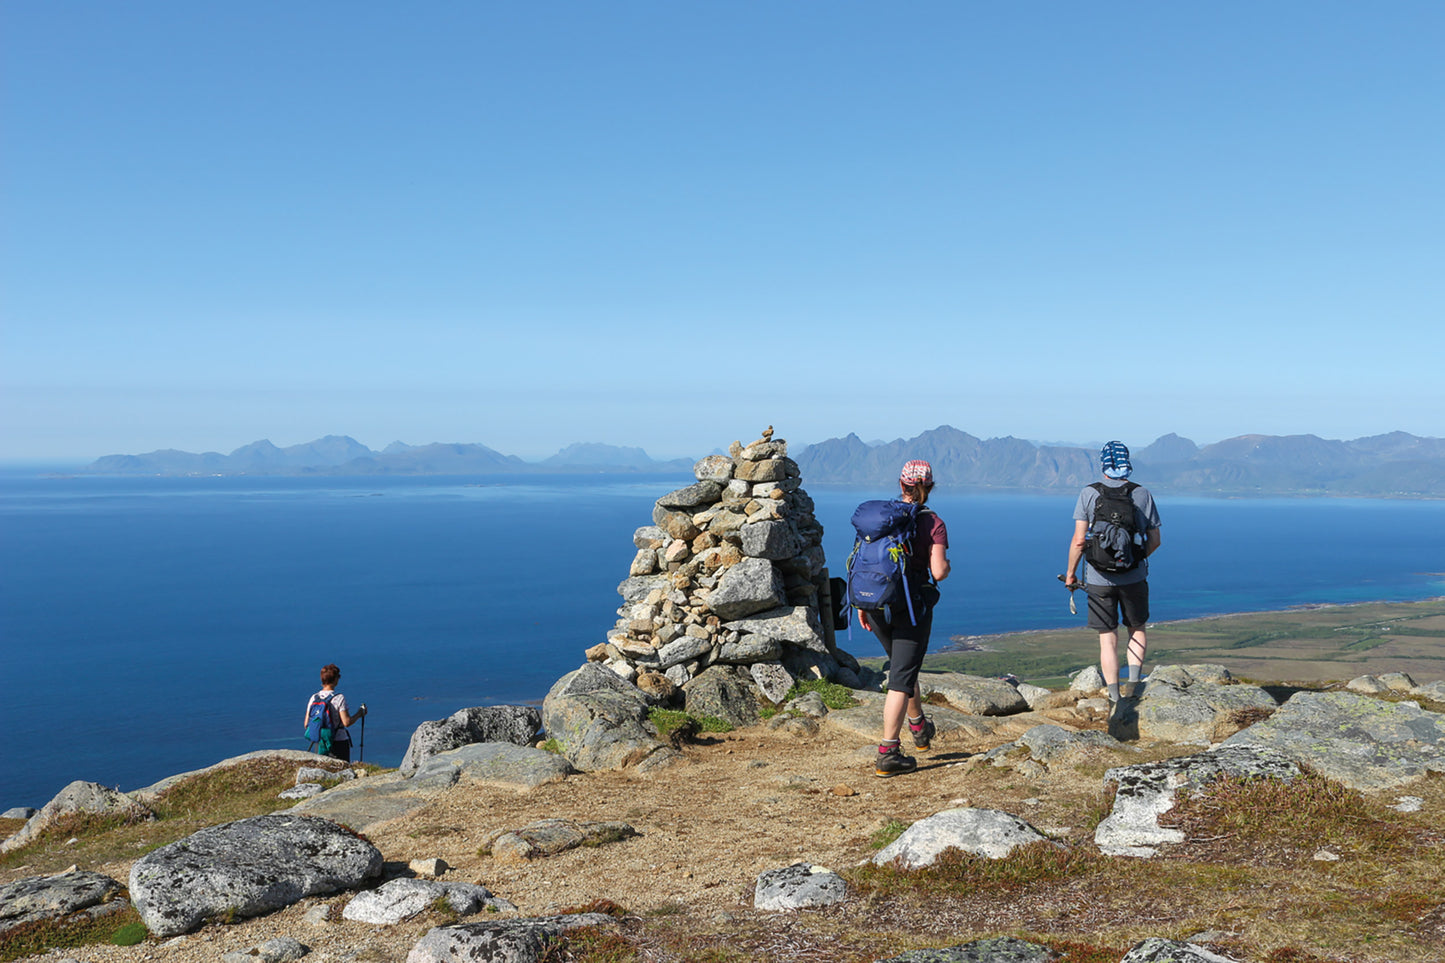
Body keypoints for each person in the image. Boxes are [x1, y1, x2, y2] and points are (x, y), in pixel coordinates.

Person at [859, 459, 951, 777]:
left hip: (875, 604)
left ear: (901, 485)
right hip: (911, 608)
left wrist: (862, 605)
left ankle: (919, 728)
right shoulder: (933, 523)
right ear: (930, 487)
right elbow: (938, 571)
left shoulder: (880, 519)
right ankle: (888, 753)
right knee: (900, 679)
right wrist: (945, 566)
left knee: (903, 668)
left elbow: (866, 563)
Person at [1064, 441, 1162, 703]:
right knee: (1136, 627)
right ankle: (1133, 686)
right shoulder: (1142, 494)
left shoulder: (1089, 493)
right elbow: (1155, 540)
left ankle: (1114, 696)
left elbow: (1078, 541)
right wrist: (1135, 559)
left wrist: (1071, 574)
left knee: (1107, 638)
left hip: (1098, 579)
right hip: (1134, 577)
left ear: (1103, 463)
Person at [304, 663, 367, 762]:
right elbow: (347, 722)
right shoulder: (339, 698)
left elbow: (306, 724)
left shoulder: (314, 698)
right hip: (339, 741)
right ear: (335, 679)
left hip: (321, 742)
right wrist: (360, 714)